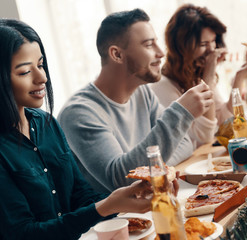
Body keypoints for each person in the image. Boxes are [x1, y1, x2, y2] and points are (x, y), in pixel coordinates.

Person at [0, 18, 154, 240]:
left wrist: (125, 198)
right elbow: (25, 233)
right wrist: (105, 207)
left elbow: (80, 195)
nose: (42, 78)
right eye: (24, 72)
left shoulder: (46, 123)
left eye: (40, 65)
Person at [57, 8, 214, 193]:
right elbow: (122, 179)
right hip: (117, 220)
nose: (161, 53)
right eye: (149, 45)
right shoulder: (79, 113)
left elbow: (185, 144)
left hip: (149, 205)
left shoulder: (143, 93)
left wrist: (150, 169)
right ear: (117, 54)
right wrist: (181, 112)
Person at [151, 4, 247, 148]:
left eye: (213, 41)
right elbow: (204, 137)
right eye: (204, 44)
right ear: (181, 47)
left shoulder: (195, 77)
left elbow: (226, 123)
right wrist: (208, 80)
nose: (212, 50)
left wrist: (240, 76)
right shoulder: (163, 86)